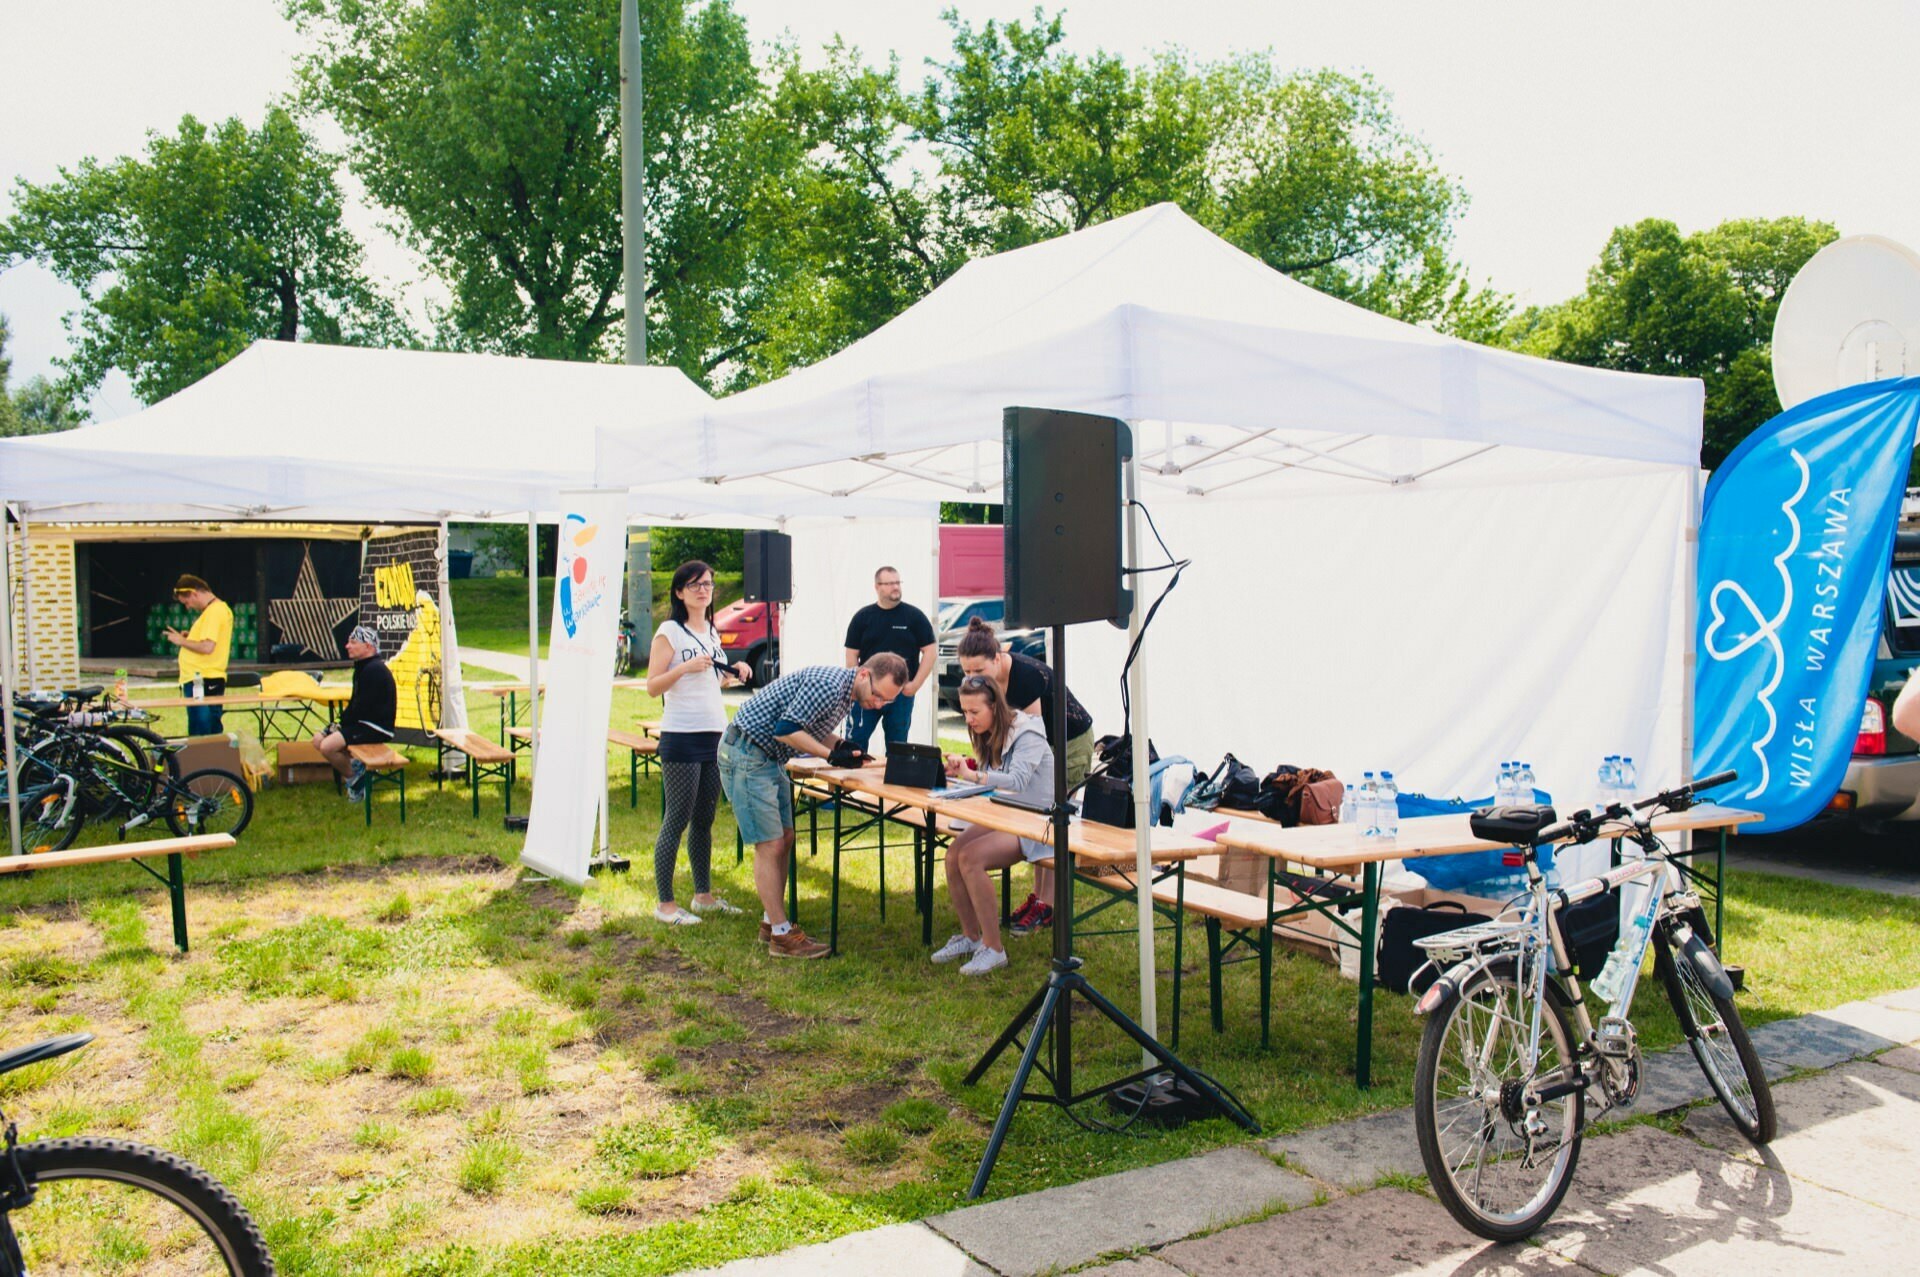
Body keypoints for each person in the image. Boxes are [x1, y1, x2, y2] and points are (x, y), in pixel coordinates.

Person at [718, 653, 908, 959]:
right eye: (877, 696)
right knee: (769, 845)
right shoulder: (829, 686)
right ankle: (781, 936)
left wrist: (840, 745)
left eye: (887, 702)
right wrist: (829, 756)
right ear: (863, 675)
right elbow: (786, 729)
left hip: (767, 758)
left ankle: (771, 922)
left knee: (785, 838)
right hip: (748, 753)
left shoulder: (846, 693)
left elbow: (809, 725)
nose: (878, 705)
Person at [955, 617, 1095, 935]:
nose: (972, 678)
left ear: (999, 657)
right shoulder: (989, 685)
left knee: (1050, 822)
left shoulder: (1026, 677)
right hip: (1045, 744)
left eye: (979, 671)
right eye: (966, 671)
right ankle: (1038, 898)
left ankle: (1048, 905)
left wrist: (990, 775)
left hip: (1068, 742)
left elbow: (1032, 739)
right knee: (1033, 820)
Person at [645, 560, 752, 926]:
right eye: (694, 585)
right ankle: (666, 904)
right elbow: (652, 686)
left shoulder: (711, 630)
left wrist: (735, 675)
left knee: (704, 819)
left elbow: (712, 680)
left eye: (707, 583)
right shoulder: (669, 632)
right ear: (679, 592)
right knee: (676, 818)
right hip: (681, 736)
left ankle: (703, 895)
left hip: (714, 733)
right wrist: (684, 668)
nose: (703, 590)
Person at [931, 674, 1056, 975]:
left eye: (975, 712)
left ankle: (994, 948)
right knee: (952, 856)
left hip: (1037, 821)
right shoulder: (990, 731)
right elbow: (993, 778)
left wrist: (973, 776)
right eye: (964, 712)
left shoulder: (1027, 734)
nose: (969, 719)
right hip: (1007, 813)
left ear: (995, 707)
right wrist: (965, 770)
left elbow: (1017, 780)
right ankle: (971, 937)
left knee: (970, 859)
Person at [842, 566, 936, 752]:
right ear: (877, 586)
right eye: (890, 583)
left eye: (898, 582)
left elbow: (930, 652)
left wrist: (915, 685)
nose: (896, 587)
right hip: (868, 693)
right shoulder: (862, 618)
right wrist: (859, 687)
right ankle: (851, 778)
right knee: (855, 744)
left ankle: (892, 780)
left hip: (900, 695)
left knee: (897, 748)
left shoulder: (914, 617)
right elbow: (851, 655)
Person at [314, 625, 396, 800]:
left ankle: (355, 781)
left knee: (327, 746)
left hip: (376, 727)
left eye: (353, 642)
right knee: (318, 739)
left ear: (368, 646)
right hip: (362, 724)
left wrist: (341, 726)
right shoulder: (362, 668)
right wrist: (339, 724)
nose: (347, 646)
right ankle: (356, 770)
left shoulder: (374, 669)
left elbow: (363, 707)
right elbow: (355, 704)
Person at [164, 574, 232, 736]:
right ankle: (211, 758)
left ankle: (202, 760)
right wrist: (190, 637)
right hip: (205, 678)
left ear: (194, 593)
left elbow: (208, 646)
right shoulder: (217, 610)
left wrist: (181, 641)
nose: (188, 607)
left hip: (201, 679)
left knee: (201, 728)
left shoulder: (214, 612)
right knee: (209, 725)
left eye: (186, 602)